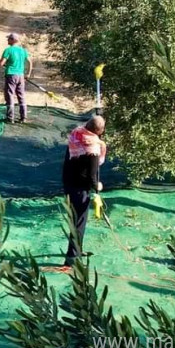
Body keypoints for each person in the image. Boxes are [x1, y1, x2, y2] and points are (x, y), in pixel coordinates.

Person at [61, 115, 106, 269]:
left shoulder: (76, 134)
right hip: (80, 188)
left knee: (75, 220)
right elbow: (92, 176)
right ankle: (72, 258)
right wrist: (97, 186)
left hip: (68, 182)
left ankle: (77, 251)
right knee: (78, 222)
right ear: (99, 131)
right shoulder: (93, 149)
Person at [0, 33, 33, 123]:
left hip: (11, 75)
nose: (7, 40)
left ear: (12, 40)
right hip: (21, 76)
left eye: (8, 39)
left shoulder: (8, 50)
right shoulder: (23, 51)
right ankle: (23, 117)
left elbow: (1, 63)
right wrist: (28, 74)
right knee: (21, 96)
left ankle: (10, 118)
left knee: (10, 95)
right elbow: (30, 62)